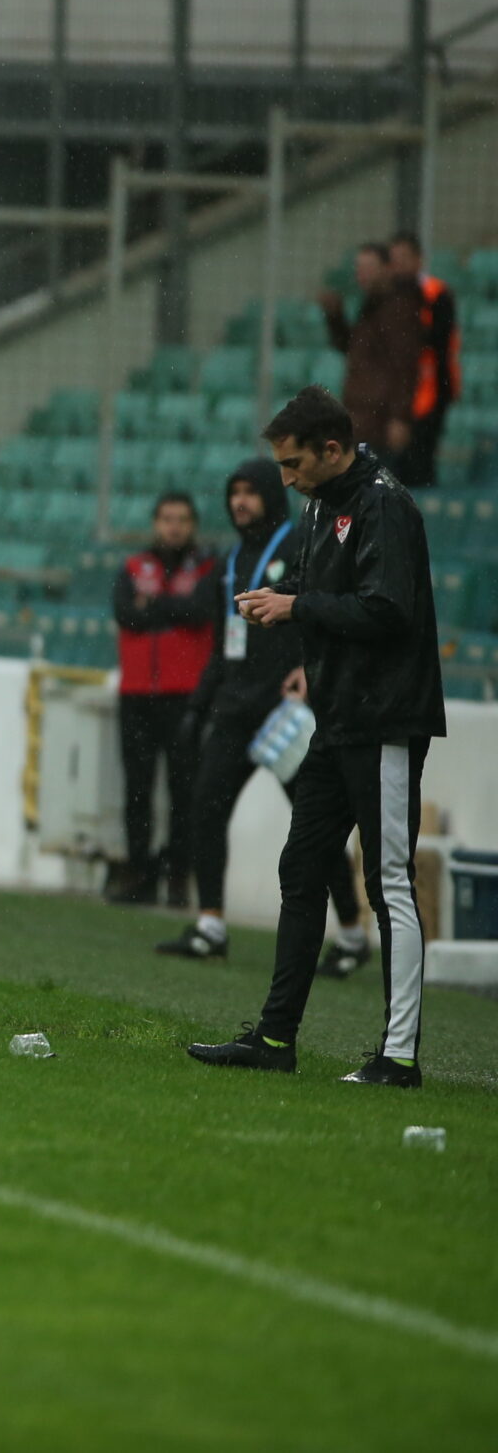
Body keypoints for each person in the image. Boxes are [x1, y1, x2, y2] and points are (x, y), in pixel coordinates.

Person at [190, 387, 445, 1085]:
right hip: (335, 718)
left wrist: (297, 604)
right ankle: (275, 1040)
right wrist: (297, 630)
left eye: (295, 463)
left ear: (333, 449)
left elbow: (389, 608)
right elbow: (326, 596)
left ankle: (398, 1056)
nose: (288, 477)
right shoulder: (319, 501)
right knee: (301, 868)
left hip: (386, 719)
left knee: (388, 879)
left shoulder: (384, 503)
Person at [155, 459, 373, 973]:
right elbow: (222, 645)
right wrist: (196, 706)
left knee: (316, 828)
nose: (240, 502)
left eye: (251, 492)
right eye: (234, 492)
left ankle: (351, 935)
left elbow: (324, 611)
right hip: (235, 709)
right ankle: (210, 925)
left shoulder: (299, 543)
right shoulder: (231, 560)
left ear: (271, 499)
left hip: (282, 714)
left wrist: (307, 667)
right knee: (206, 808)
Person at [108, 492, 219, 907]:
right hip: (137, 693)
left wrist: (154, 605)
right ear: (156, 522)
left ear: (193, 524)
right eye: (167, 518)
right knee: (136, 788)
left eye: (182, 519)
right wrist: (174, 609)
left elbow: (200, 610)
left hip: (185, 696)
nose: (174, 526)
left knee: (184, 790)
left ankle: (177, 875)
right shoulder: (134, 567)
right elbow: (125, 615)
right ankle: (139, 872)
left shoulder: (208, 567)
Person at [318, 242, 423, 456]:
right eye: (359, 268)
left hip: (379, 419)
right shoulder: (370, 305)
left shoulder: (398, 309)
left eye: (368, 267)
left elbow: (405, 365)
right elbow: (351, 348)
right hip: (361, 416)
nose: (361, 274)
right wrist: (335, 316)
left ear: (386, 269)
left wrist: (399, 417)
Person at [387, 231, 459, 489]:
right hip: (397, 391)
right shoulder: (387, 296)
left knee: (420, 460)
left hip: (432, 387)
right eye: (394, 259)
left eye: (405, 258)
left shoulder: (436, 294)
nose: (399, 265)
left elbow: (440, 339)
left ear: (418, 260)